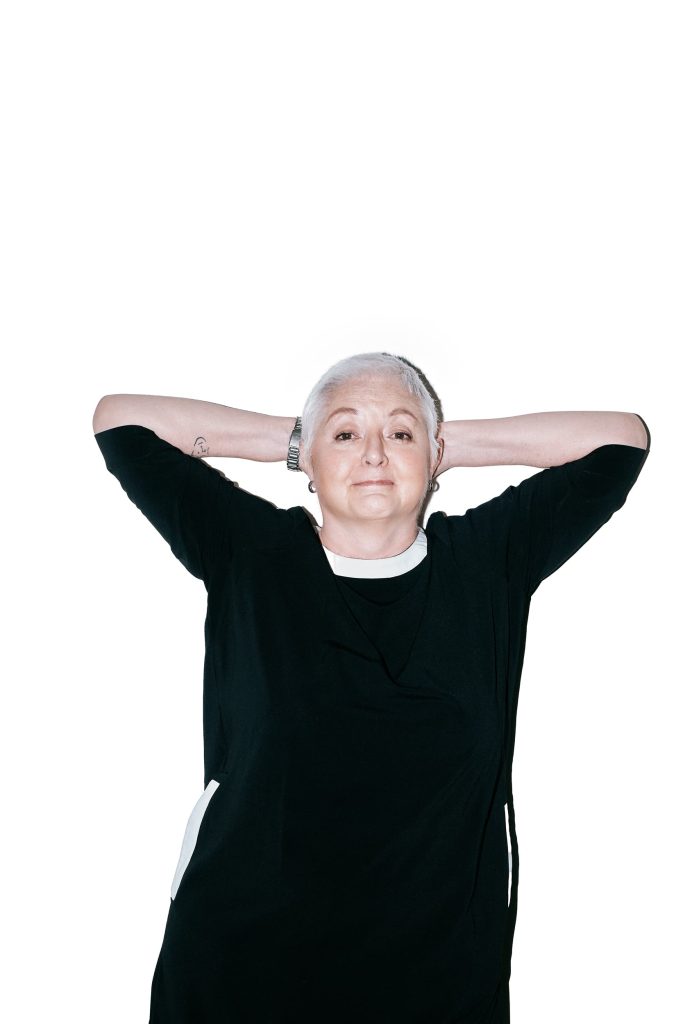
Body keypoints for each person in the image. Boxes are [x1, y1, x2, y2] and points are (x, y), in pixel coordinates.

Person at [92, 352, 650, 1024]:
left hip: (439, 978)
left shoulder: (486, 562)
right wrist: (304, 440)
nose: (375, 454)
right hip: (241, 970)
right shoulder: (252, 554)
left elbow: (620, 441)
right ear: (309, 458)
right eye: (347, 434)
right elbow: (121, 423)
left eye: (400, 434)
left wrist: (436, 445)